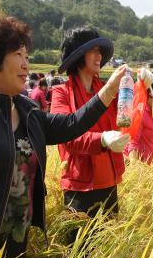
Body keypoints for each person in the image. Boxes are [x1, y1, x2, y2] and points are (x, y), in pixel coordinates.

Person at [0, 15, 128, 258]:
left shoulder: (26, 110)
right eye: (19, 55)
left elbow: (70, 125)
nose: (26, 65)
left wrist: (109, 90)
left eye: (27, 57)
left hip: (18, 240)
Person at [50, 26, 129, 222]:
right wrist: (101, 139)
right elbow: (66, 136)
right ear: (78, 56)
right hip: (79, 185)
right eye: (93, 51)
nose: (99, 56)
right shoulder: (61, 93)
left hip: (108, 180)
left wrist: (143, 86)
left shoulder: (108, 90)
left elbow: (128, 113)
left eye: (99, 51)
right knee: (79, 249)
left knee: (108, 249)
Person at [124, 70, 153, 164]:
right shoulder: (140, 113)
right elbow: (133, 142)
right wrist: (136, 170)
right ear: (150, 94)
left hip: (145, 167)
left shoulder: (150, 113)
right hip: (137, 168)